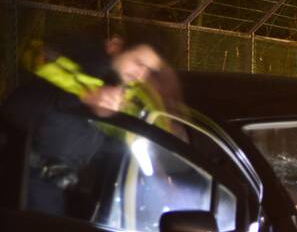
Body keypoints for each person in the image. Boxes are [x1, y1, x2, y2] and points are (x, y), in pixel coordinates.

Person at [1, 36, 175, 217]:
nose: (140, 75)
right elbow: (16, 109)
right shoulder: (73, 69)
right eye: (138, 63)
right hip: (25, 184)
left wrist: (157, 175)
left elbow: (110, 144)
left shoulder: (118, 92)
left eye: (148, 70)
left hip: (61, 187)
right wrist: (84, 98)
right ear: (114, 46)